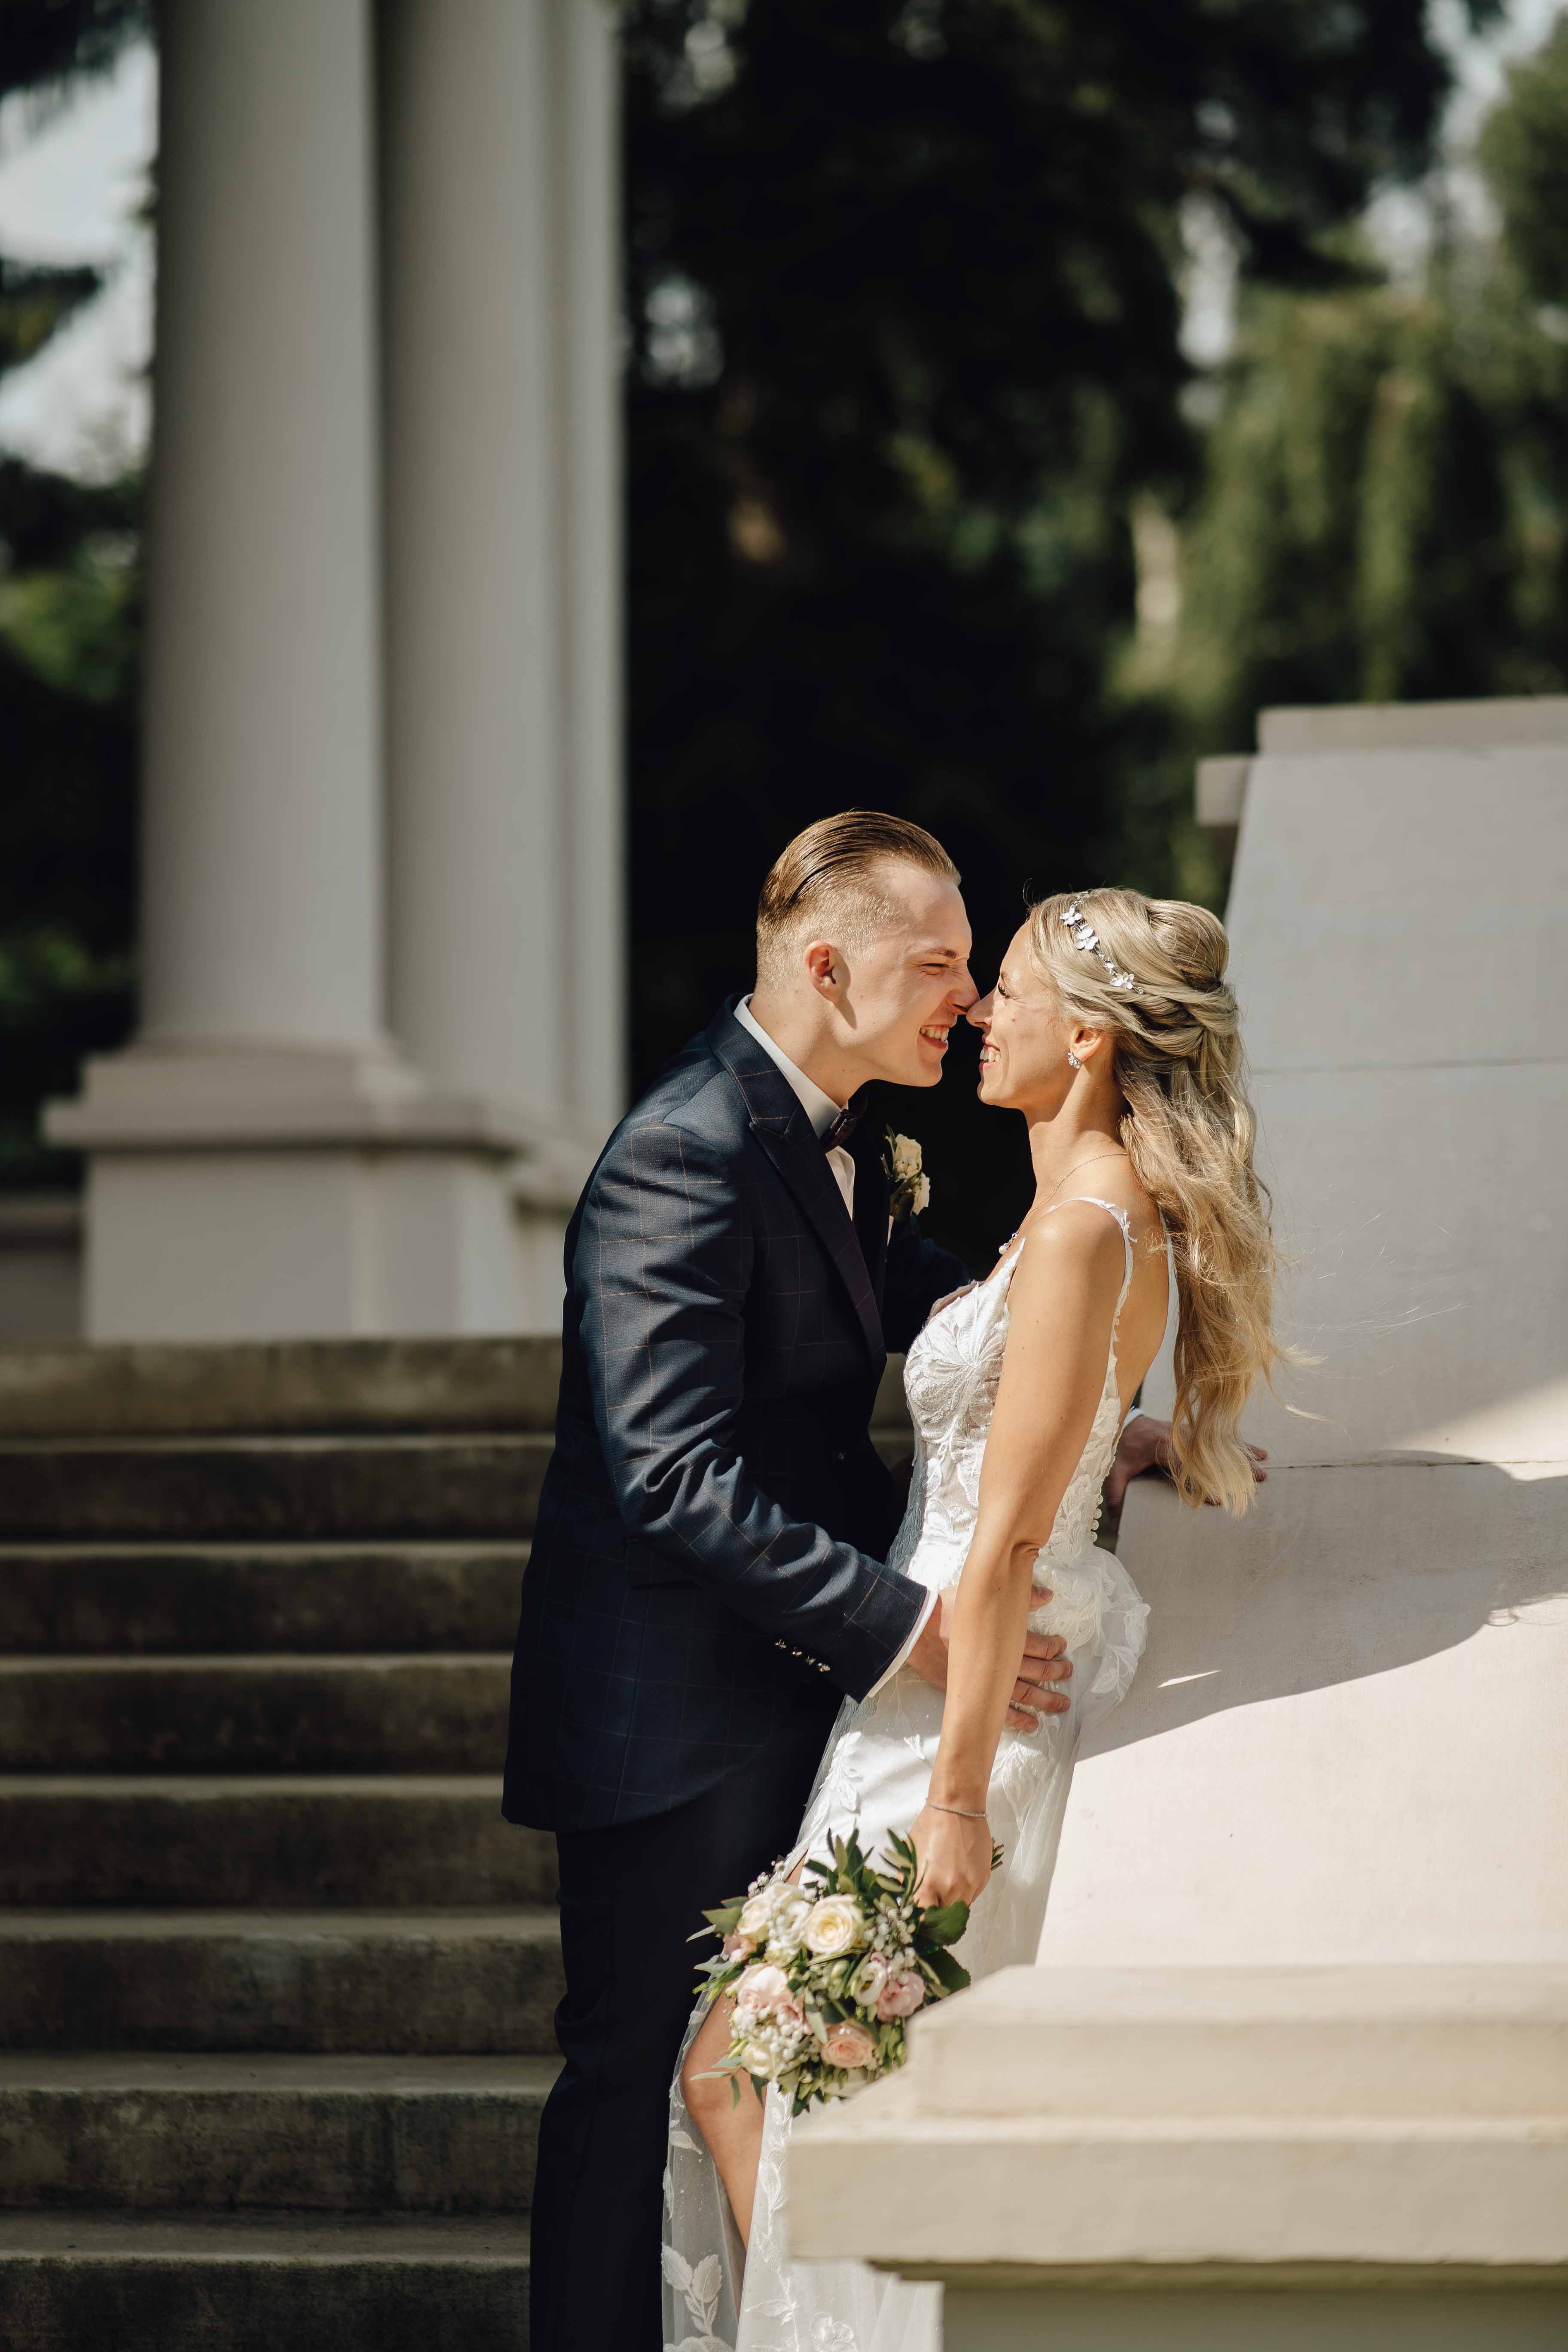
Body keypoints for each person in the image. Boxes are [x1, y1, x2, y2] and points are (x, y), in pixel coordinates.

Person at [502, 817, 1178, 2352]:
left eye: (970, 965)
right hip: (664, 1715)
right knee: (638, 2080)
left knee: (769, 2078)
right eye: (937, 961)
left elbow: (945, 1305)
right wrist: (919, 1632)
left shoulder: (841, 1126)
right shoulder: (680, 1150)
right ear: (827, 967)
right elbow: (668, 1477)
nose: (963, 993)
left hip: (798, 1689)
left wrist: (1082, 1411)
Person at [666, 884, 1285, 2352]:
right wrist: (1121, 1440)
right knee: (778, 2084)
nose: (980, 1012)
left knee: (766, 2081)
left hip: (958, 1705)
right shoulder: (1075, 1216)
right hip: (919, 1685)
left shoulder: (1081, 1229)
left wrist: (951, 1804)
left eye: (1002, 986)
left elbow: (1004, 1543)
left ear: (1083, 1041)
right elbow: (1044, 1442)